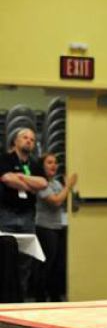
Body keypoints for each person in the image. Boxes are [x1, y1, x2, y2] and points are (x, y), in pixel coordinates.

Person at [0, 128, 48, 300]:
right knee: (4, 258)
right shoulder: (5, 158)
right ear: (15, 141)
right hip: (6, 214)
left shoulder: (35, 164)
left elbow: (43, 183)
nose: (29, 141)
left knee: (25, 261)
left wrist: (20, 177)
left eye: (32, 139)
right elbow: (6, 178)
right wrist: (30, 185)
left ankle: (21, 299)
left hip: (27, 216)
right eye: (25, 138)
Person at [34, 153, 77, 302]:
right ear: (42, 166)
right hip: (45, 227)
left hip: (58, 227)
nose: (54, 165)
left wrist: (66, 187)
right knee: (47, 264)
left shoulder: (57, 184)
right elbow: (56, 201)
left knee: (57, 266)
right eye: (49, 162)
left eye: (55, 162)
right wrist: (69, 186)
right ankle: (40, 297)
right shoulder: (41, 184)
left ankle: (55, 296)